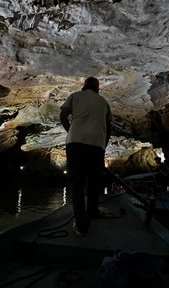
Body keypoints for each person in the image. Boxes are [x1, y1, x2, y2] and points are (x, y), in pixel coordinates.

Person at [60, 76, 112, 236]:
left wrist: (71, 131)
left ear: (84, 86)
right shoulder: (104, 102)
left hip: (75, 143)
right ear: (97, 88)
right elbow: (108, 127)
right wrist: (103, 144)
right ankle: (93, 211)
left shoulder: (75, 96)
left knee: (77, 183)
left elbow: (63, 115)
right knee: (93, 180)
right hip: (96, 144)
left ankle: (82, 225)